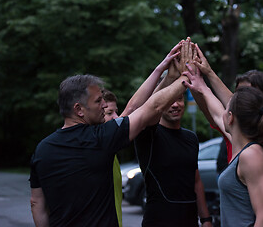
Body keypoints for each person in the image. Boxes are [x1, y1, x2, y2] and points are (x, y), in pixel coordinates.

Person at [29, 42, 190, 226]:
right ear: (79, 109)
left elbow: (36, 203)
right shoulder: (101, 138)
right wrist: (186, 78)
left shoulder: (42, 149)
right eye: (99, 101)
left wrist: (160, 71)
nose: (104, 105)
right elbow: (149, 108)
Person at [183, 64, 263, 226]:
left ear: (231, 117)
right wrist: (202, 86)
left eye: (226, 108)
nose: (222, 112)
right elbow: (216, 113)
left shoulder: (252, 155)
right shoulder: (243, 146)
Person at [133, 38, 212, 227]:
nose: (175, 105)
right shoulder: (148, 133)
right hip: (158, 221)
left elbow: (196, 181)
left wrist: (206, 219)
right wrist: (170, 77)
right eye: (170, 100)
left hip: (189, 221)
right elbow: (146, 108)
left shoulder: (191, 138)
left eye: (180, 99)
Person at [102, 90, 122, 227]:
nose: (117, 117)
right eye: (109, 113)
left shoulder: (112, 150)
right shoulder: (99, 146)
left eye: (116, 112)